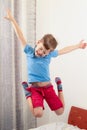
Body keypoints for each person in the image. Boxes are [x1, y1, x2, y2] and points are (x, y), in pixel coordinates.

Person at [5, 9, 87, 118]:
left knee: (60, 111)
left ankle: (60, 87)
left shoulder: (49, 55)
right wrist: (12, 20)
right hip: (35, 89)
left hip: (48, 87)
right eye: (40, 49)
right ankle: (27, 93)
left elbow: (64, 50)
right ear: (38, 42)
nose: (40, 53)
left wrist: (77, 46)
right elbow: (20, 36)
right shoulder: (29, 51)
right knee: (38, 114)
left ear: (49, 52)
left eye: (44, 52)